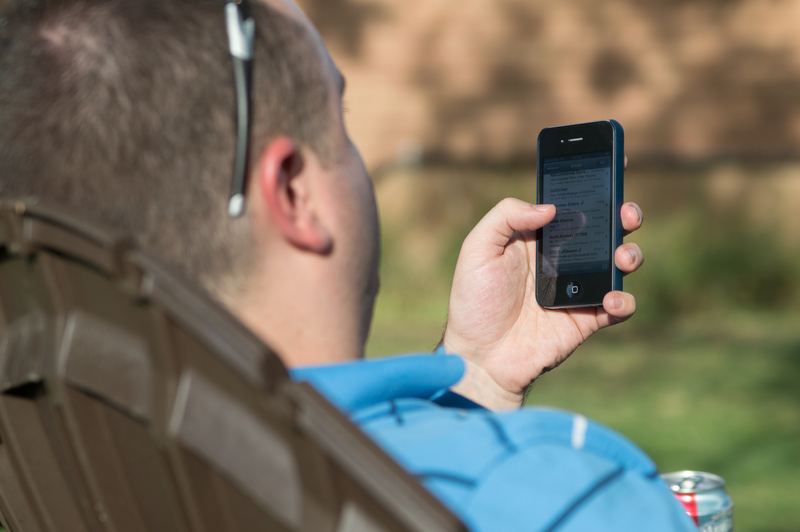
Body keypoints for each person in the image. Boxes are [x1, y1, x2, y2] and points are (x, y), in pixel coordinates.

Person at [0, 0, 696, 529]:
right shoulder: (551, 495)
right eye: (343, 120)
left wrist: (476, 375)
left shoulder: (64, 456)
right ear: (294, 193)